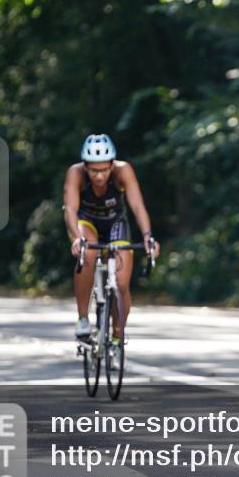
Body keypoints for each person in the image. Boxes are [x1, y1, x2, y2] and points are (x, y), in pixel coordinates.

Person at [62, 134, 159, 343]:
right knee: (88, 254)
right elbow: (70, 209)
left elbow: (137, 206)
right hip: (86, 222)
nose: (99, 176)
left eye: (104, 169)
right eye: (94, 170)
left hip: (116, 222)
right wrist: (77, 238)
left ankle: (117, 333)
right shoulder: (75, 173)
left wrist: (147, 237)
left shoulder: (123, 171)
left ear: (112, 165)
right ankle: (83, 319)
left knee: (122, 283)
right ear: (85, 166)